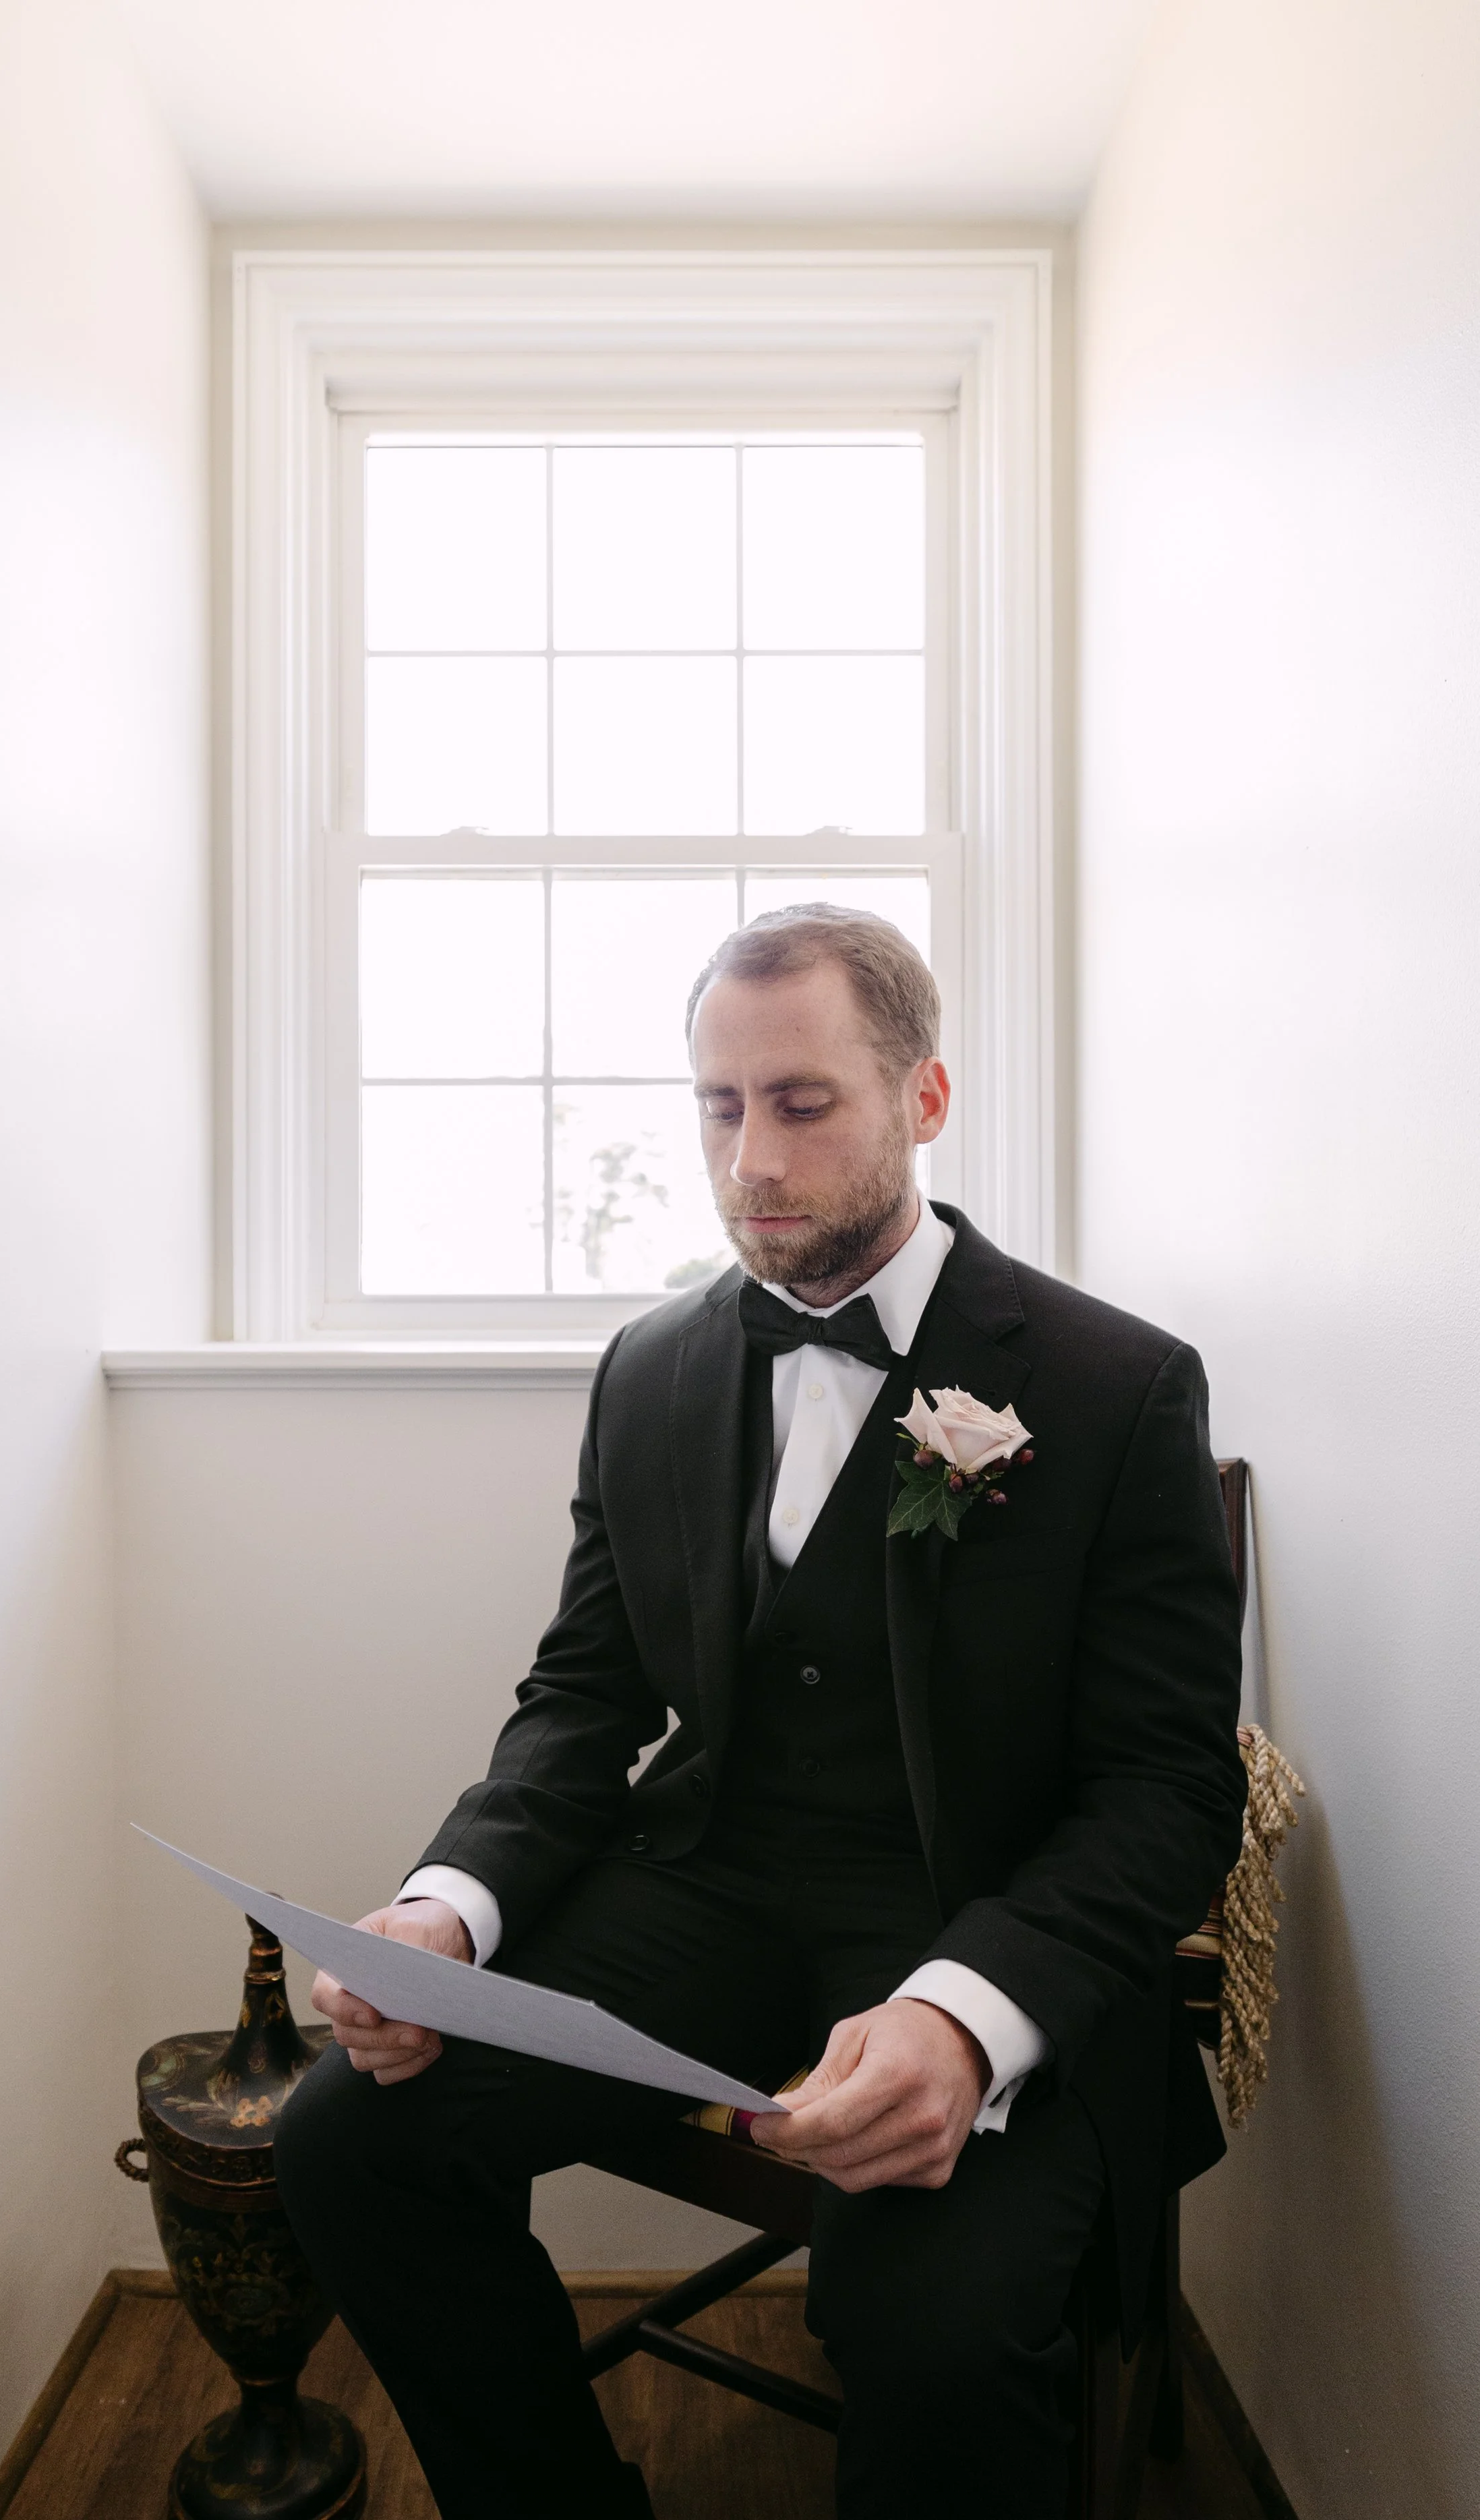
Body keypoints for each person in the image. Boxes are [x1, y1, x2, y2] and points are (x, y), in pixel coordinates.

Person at [273, 905, 1245, 2520]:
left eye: (801, 1102)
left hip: (973, 1914)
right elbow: (582, 1696)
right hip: (702, 1889)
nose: (749, 1158)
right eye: (717, 1106)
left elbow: (1163, 1786)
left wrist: (965, 2013)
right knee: (348, 2141)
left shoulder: (1113, 1383)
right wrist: (445, 1910)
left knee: (926, 2326)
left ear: (922, 1099)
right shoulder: (646, 1370)